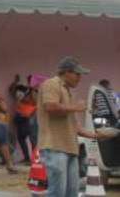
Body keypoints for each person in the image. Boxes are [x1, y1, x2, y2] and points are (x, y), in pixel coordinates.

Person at [38, 57, 102, 197]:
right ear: (66, 72)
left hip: (70, 147)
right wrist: (76, 107)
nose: (80, 78)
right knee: (58, 192)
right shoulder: (51, 84)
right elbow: (50, 106)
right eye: (77, 74)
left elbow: (74, 126)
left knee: (71, 192)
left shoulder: (69, 91)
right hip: (55, 146)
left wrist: (97, 135)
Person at [9, 74, 38, 164]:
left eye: (31, 80)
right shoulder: (25, 90)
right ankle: (27, 158)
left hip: (30, 117)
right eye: (29, 79)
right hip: (20, 116)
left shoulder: (35, 91)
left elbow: (34, 101)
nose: (29, 81)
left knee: (33, 139)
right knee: (21, 138)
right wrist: (16, 82)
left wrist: (31, 91)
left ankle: (34, 160)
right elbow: (12, 91)